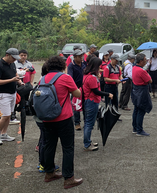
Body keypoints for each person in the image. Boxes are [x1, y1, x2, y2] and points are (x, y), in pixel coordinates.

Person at [42, 56, 83, 189]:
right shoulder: (65, 78)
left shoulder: (44, 78)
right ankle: (69, 178)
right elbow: (77, 94)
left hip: (47, 118)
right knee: (68, 147)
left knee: (49, 145)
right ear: (62, 66)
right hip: (63, 118)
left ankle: (49, 173)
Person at [82, 57, 113, 151]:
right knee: (89, 124)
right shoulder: (91, 77)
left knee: (88, 122)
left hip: (88, 100)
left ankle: (88, 141)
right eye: (99, 66)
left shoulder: (87, 74)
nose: (100, 68)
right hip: (92, 101)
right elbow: (96, 91)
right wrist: (108, 94)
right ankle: (87, 144)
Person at [0, 48, 22, 142]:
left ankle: (4, 133)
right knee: (4, 116)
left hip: (12, 92)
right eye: (13, 58)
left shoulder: (12, 64)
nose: (14, 60)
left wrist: (19, 81)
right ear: (7, 55)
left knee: (9, 115)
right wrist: (11, 80)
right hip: (3, 94)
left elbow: (15, 75)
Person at [12, 49, 36, 124]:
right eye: (21, 55)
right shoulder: (14, 63)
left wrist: (31, 82)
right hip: (17, 84)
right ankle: (13, 115)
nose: (23, 57)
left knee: (25, 99)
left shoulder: (29, 64)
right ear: (19, 55)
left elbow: (33, 72)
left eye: (25, 55)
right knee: (16, 99)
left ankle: (25, 111)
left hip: (26, 84)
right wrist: (21, 70)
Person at [131, 53, 152, 136]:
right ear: (140, 61)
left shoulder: (134, 68)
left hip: (135, 90)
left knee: (136, 109)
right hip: (142, 91)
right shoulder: (141, 70)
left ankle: (135, 128)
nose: (146, 60)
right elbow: (150, 80)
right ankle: (139, 130)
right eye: (144, 59)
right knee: (141, 110)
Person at [67, 49, 87, 131]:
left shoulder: (84, 64)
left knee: (85, 105)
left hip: (85, 87)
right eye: (79, 56)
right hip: (76, 88)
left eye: (81, 56)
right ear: (74, 57)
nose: (81, 57)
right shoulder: (71, 66)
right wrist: (73, 88)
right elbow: (70, 78)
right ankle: (77, 123)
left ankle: (86, 122)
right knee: (76, 105)